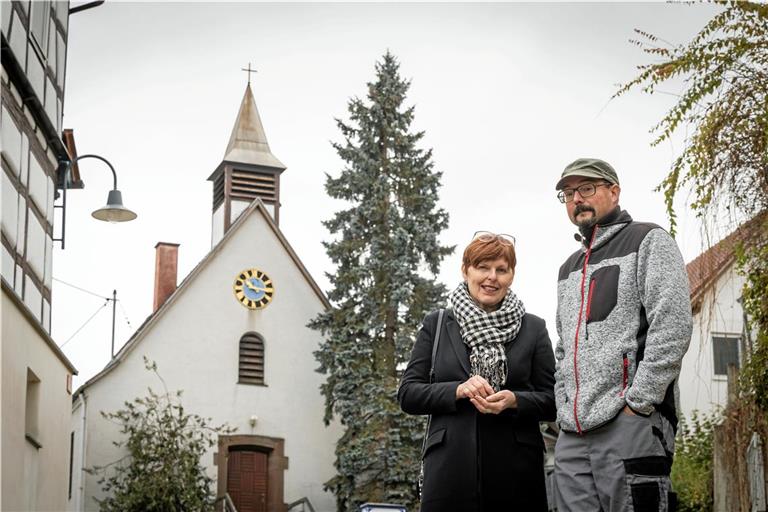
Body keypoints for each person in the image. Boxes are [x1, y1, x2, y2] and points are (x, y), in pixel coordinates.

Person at [552, 158, 692, 512]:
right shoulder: (568, 268)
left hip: (629, 424)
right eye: (568, 193)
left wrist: (639, 402)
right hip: (572, 434)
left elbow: (672, 323)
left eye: (587, 188)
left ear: (614, 191)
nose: (576, 199)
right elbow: (562, 349)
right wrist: (563, 405)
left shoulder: (648, 240)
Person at [398, 232, 555, 512]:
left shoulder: (534, 328)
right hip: (449, 472)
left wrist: (516, 400)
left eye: (501, 270)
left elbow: (554, 400)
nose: (491, 277)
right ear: (466, 270)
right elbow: (408, 394)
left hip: (517, 472)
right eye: (483, 267)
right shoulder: (437, 324)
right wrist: (457, 389)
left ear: (511, 275)